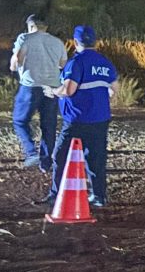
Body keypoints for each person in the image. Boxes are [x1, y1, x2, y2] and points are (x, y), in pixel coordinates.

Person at [44, 25, 118, 209]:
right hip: (100, 119)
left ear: (75, 42)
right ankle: (99, 197)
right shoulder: (105, 62)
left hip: (76, 120)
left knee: (60, 156)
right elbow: (115, 89)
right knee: (96, 159)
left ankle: (56, 194)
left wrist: (53, 91)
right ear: (95, 42)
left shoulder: (76, 62)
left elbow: (69, 89)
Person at [9, 14, 67, 173]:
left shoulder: (25, 38)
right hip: (52, 88)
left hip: (31, 86)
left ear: (30, 26)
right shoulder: (58, 42)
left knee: (20, 121)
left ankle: (31, 152)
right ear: (46, 26)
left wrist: (14, 65)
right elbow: (62, 64)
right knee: (49, 125)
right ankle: (46, 163)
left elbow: (16, 62)